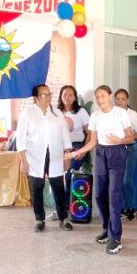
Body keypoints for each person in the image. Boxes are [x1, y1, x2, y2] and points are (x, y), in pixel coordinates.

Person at [66, 85, 133, 255]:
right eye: (97, 96)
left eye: (103, 95)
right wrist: (76, 152)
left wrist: (120, 140)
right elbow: (92, 142)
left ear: (109, 96)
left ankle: (116, 238)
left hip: (117, 153)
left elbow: (131, 137)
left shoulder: (121, 113)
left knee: (113, 195)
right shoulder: (95, 116)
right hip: (101, 153)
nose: (100, 98)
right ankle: (106, 229)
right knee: (99, 194)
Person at [18, 84, 74, 232]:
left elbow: (65, 135)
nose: (47, 98)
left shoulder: (57, 113)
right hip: (35, 156)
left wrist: (67, 156)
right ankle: (39, 219)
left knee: (58, 186)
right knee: (37, 187)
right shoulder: (28, 113)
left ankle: (63, 218)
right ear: (36, 97)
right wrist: (23, 161)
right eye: (43, 95)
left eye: (49, 94)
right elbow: (20, 140)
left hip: (55, 155)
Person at [58, 85, 90, 213]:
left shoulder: (81, 112)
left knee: (68, 174)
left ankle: (65, 207)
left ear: (75, 97)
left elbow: (90, 133)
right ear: (61, 96)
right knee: (56, 175)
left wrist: (83, 150)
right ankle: (59, 204)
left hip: (76, 146)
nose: (67, 97)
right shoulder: (55, 112)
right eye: (65, 94)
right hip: (59, 146)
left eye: (70, 95)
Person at [114, 88, 137, 220]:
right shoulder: (111, 113)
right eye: (117, 99)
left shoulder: (133, 115)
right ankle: (119, 207)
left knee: (127, 180)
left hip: (129, 149)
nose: (120, 102)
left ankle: (130, 207)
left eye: (123, 99)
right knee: (117, 180)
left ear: (127, 101)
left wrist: (129, 137)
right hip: (114, 149)